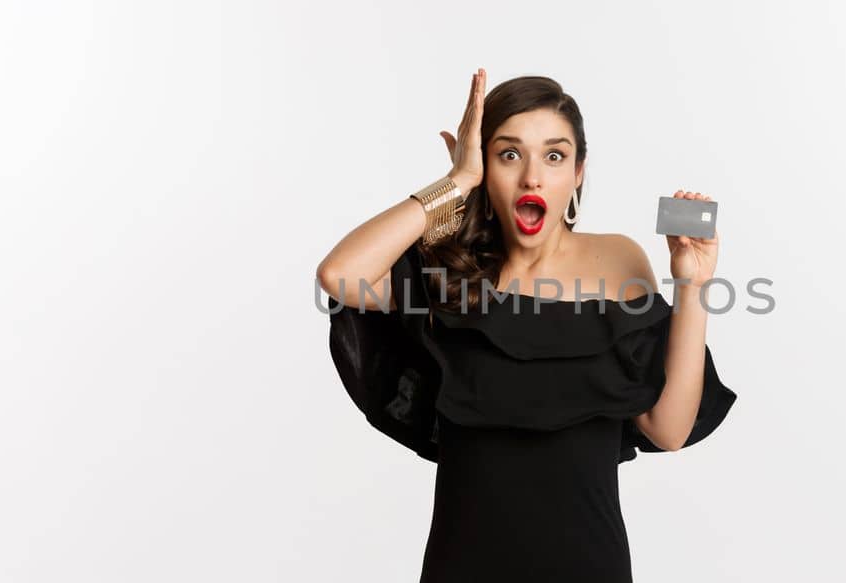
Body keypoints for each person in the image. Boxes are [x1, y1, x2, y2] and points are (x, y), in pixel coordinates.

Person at [316, 68, 738, 583]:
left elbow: (669, 430)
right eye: (508, 154)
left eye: (554, 156)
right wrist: (454, 184)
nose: (532, 177)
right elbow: (340, 275)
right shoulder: (449, 270)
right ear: (485, 166)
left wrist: (691, 285)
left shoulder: (617, 260)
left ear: (578, 172)